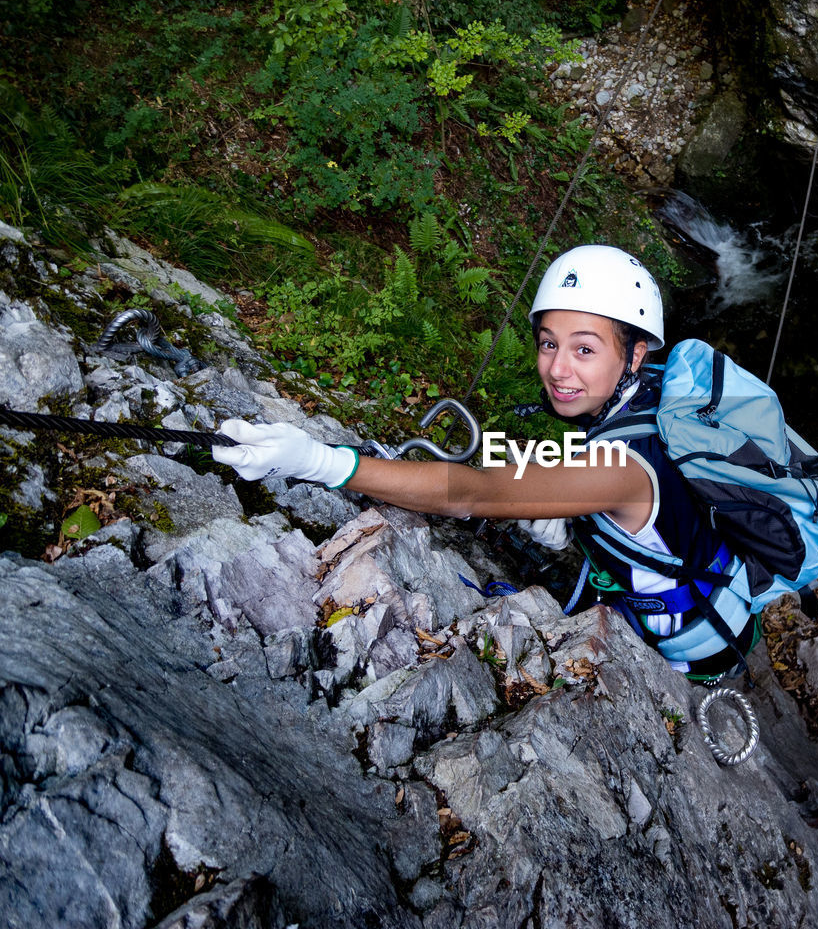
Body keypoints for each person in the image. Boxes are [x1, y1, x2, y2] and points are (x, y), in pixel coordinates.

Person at [213, 244, 758, 680]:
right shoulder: (653, 402)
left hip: (689, 654)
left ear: (636, 353)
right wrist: (579, 530)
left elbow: (472, 492)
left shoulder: (620, 464)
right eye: (549, 343)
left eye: (584, 349)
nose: (559, 370)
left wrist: (319, 461)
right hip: (705, 600)